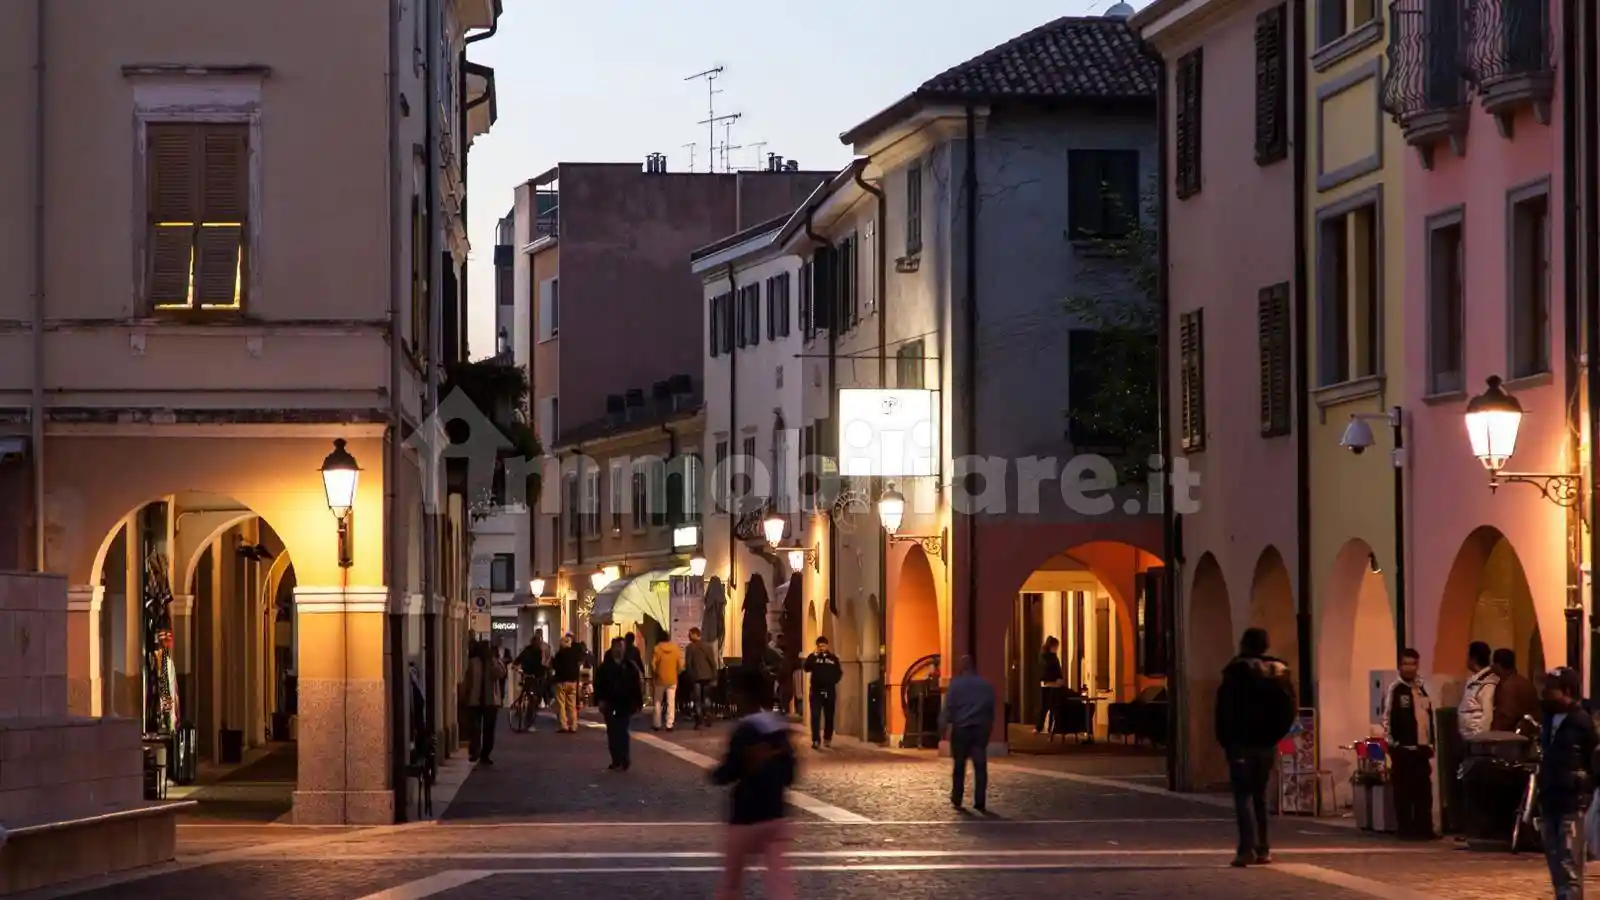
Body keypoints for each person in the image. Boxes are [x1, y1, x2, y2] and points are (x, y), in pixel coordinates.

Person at [712, 667, 797, 900]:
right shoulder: (779, 729)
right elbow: (790, 775)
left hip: (746, 816)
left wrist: (716, 775)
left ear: (744, 696)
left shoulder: (744, 731)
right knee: (780, 885)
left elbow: (729, 770)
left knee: (732, 883)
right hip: (776, 815)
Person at [1214, 627, 1296, 867]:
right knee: (1260, 795)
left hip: (1240, 742)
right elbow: (1289, 710)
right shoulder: (1279, 673)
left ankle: (1245, 848)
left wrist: (1225, 739)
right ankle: (1263, 847)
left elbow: (1224, 709)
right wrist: (1275, 735)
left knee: (1242, 796)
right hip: (1266, 743)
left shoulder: (1236, 672)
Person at [1537, 667, 1596, 899]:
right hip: (1549, 795)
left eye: (1552, 689)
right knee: (1554, 859)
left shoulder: (1581, 720)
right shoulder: (1548, 718)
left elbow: (1593, 757)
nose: (1546, 693)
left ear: (1568, 691)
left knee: (1569, 860)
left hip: (1571, 800)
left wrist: (1584, 785)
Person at [1383, 648, 1438, 840]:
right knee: (1404, 792)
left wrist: (1431, 744)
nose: (1409, 668)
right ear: (1399, 666)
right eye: (1405, 664)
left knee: (1424, 792)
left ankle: (1425, 828)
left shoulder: (1421, 689)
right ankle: (1405, 829)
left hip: (1421, 749)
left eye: (1413, 664)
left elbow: (1428, 718)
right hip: (1403, 749)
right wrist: (1393, 744)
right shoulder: (1396, 690)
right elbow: (1387, 718)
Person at [940, 655, 996, 812]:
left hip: (961, 729)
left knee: (959, 765)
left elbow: (948, 707)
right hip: (979, 729)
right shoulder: (986, 685)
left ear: (961, 667)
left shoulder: (955, 685)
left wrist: (943, 726)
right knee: (980, 765)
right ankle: (980, 800)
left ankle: (957, 797)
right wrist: (988, 729)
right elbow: (991, 710)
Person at [594, 637, 643, 771]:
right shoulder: (605, 667)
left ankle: (624, 758)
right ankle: (616, 759)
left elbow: (636, 685)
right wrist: (599, 700)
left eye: (621, 647)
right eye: (617, 647)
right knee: (612, 732)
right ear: (612, 648)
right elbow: (599, 684)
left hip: (625, 703)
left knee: (623, 731)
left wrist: (638, 702)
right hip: (610, 703)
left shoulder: (630, 666)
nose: (619, 650)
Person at [464, 640, 506, 765]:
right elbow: (468, 679)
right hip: (475, 699)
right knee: (475, 728)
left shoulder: (494, 662)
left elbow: (500, 674)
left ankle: (485, 754)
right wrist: (465, 695)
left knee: (489, 729)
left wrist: (493, 662)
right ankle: (475, 751)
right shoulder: (473, 662)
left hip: (490, 700)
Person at [802, 636, 842, 750]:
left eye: (823, 645)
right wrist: (814, 655)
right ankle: (815, 740)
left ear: (827, 646)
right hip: (816, 692)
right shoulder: (813, 657)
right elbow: (806, 668)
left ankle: (827, 738)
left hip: (829, 691)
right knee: (815, 716)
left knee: (829, 716)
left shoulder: (833, 658)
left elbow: (839, 673)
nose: (822, 648)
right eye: (820, 646)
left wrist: (832, 680)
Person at [1491, 648, 1539, 732]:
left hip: (1513, 735)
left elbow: (1506, 718)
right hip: (1528, 732)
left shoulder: (1509, 686)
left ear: (1497, 666)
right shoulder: (1524, 682)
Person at [1457, 641, 1497, 739]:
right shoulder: (1476, 679)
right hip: (1469, 737)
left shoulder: (1487, 681)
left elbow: (1487, 714)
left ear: (1473, 659)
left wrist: (1481, 737)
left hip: (1477, 738)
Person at [686, 627, 719, 728]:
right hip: (708, 676)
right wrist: (715, 676)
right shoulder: (707, 646)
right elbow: (713, 662)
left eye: (690, 634)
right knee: (707, 698)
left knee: (697, 700)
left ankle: (699, 720)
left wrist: (689, 676)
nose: (688, 637)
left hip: (696, 677)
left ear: (695, 635)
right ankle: (708, 718)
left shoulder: (690, 648)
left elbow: (688, 664)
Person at [550, 633, 583, 733]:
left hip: (561, 681)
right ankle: (573, 725)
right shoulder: (575, 654)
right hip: (572, 682)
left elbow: (554, 665)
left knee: (561, 704)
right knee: (571, 704)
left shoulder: (560, 654)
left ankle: (563, 725)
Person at [651, 633, 684, 731]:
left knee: (658, 702)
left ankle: (657, 724)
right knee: (671, 702)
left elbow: (653, 664)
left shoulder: (657, 649)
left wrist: (656, 673)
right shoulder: (676, 649)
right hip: (672, 679)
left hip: (660, 679)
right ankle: (669, 724)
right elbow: (681, 665)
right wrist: (676, 672)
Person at [1036, 637, 1065, 734]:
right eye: (1055, 646)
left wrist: (1060, 679)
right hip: (1048, 684)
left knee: (1052, 707)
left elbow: (1057, 670)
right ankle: (1040, 727)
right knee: (1045, 706)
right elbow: (1046, 670)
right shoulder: (1045, 657)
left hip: (1054, 685)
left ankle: (1051, 727)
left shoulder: (1053, 657)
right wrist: (1056, 679)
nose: (1056, 648)